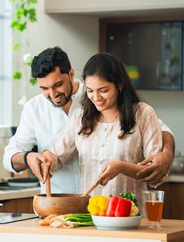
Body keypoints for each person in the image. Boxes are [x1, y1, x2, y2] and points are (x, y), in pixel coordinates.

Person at [3, 47, 174, 194]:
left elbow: (159, 133)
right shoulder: (59, 112)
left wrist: (166, 154)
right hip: (70, 210)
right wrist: (32, 158)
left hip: (127, 212)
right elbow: (53, 153)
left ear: (71, 74)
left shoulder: (132, 108)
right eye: (44, 88)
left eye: (57, 85)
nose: (53, 94)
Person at [36, 52, 166, 205]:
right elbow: (57, 154)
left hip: (131, 216)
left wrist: (122, 167)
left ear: (119, 84)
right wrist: (47, 159)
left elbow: (155, 173)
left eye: (103, 90)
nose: (96, 97)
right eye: (90, 91)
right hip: (90, 215)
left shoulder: (143, 113)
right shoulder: (80, 117)